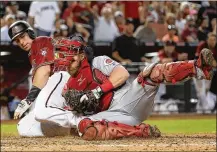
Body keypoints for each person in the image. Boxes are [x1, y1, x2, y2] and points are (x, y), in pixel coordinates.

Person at [8, 20, 159, 139]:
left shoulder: (38, 42)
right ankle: (85, 126)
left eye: (22, 36)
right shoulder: (32, 54)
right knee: (25, 127)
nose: (21, 42)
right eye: (17, 40)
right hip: (59, 91)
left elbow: (45, 71)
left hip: (62, 77)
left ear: (30, 33)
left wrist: (29, 99)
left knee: (41, 112)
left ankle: (80, 122)